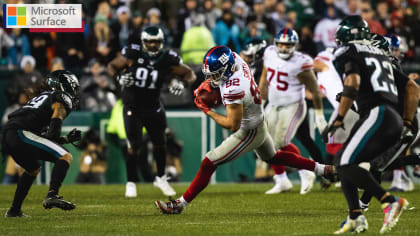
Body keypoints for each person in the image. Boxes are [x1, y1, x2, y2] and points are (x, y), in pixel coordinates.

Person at [154, 46, 334, 214]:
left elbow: (232, 125)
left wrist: (206, 110)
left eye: (215, 74)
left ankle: (180, 204)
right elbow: (219, 81)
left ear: (227, 70)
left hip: (249, 130)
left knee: (208, 162)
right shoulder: (235, 59)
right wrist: (210, 86)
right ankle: (322, 169)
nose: (211, 78)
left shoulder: (234, 87)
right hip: (258, 120)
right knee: (273, 157)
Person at [328, 16, 410, 234]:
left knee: (343, 163)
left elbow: (352, 83)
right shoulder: (382, 53)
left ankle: (389, 200)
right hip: (390, 115)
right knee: (346, 162)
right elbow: (412, 86)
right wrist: (408, 122)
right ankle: (355, 216)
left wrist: (339, 117)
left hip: (377, 112)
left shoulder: (349, 51)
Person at [107, 26, 196, 197]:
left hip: (153, 106)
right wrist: (119, 77)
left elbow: (189, 73)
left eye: (156, 42)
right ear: (143, 42)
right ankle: (131, 182)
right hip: (133, 106)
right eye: (149, 42)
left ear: (162, 42)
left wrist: (183, 84)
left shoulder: (168, 58)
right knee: (134, 145)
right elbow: (112, 66)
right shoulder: (133, 53)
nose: (153, 45)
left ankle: (161, 178)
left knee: (160, 143)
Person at [1, 70, 81, 217]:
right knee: (65, 156)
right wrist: (58, 136)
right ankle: (52, 195)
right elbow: (56, 115)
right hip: (21, 132)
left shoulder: (42, 97)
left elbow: (42, 137)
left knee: (33, 169)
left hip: (10, 133)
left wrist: (65, 140)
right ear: (64, 85)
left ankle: (14, 210)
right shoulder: (61, 97)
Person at [258, 28, 328, 195]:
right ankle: (282, 180)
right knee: (265, 143)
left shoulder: (301, 62)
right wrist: (260, 101)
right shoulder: (269, 53)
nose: (283, 48)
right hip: (273, 104)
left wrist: (319, 116)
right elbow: (264, 77)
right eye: (281, 44)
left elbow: (315, 90)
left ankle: (306, 172)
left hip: (292, 105)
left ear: (294, 46)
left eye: (287, 44)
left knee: (281, 142)